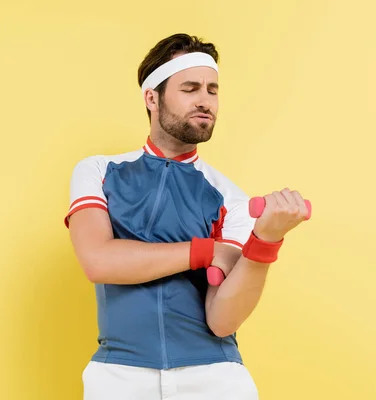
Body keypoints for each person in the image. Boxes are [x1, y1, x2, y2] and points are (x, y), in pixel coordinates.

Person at [63, 33, 310, 399]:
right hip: (118, 375)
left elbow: (222, 320)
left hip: (215, 376)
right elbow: (99, 261)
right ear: (152, 98)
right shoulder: (99, 170)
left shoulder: (229, 197)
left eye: (212, 90)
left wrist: (265, 243)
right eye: (190, 88)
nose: (205, 101)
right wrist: (207, 252)